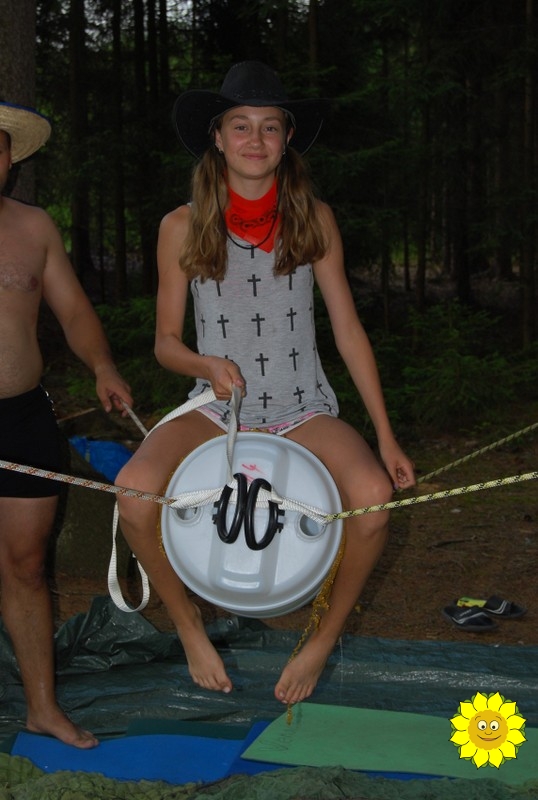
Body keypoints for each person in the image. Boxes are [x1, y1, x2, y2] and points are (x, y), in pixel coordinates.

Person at [116, 61, 415, 706]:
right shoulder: (181, 225)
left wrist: (386, 436)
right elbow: (166, 342)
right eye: (240, 125)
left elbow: (348, 331)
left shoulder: (314, 219)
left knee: (372, 502)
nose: (255, 139)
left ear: (287, 138)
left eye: (270, 126)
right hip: (216, 408)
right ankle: (188, 624)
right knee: (135, 494)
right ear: (216, 137)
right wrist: (205, 366)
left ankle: (321, 640)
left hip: (302, 405)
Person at [0, 101, 133, 748]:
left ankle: (42, 708)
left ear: (10, 159)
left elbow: (75, 312)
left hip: (23, 418)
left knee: (27, 565)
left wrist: (103, 365)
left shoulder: (34, 227)